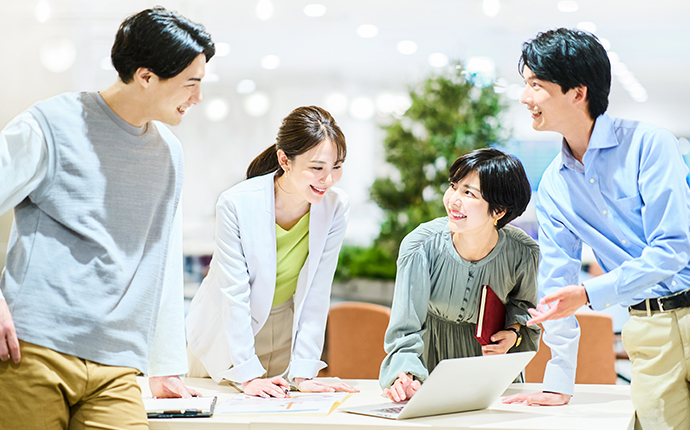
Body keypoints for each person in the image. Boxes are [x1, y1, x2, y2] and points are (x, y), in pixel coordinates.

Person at [0, 7, 214, 429]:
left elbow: (162, 259)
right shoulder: (50, 124)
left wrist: (165, 365)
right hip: (33, 349)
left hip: (118, 366)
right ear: (146, 76)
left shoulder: (169, 153)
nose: (198, 98)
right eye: (191, 83)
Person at [501, 28, 690, 429]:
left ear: (577, 93)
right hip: (647, 328)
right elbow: (557, 286)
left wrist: (588, 293)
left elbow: (673, 249)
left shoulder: (650, 145)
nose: (525, 97)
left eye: (536, 85)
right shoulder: (554, 186)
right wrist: (558, 380)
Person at [185, 106, 359, 398]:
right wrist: (247, 374)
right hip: (225, 331)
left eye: (337, 166)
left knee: (275, 412)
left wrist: (304, 372)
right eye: (317, 168)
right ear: (284, 160)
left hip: (283, 328)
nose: (328, 180)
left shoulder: (336, 206)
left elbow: (317, 290)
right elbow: (234, 293)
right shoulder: (236, 203)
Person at [379, 148, 540, 402]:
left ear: (498, 211)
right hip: (431, 362)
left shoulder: (523, 251)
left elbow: (524, 307)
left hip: (490, 369)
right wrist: (405, 375)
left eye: (468, 193)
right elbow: (405, 329)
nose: (453, 200)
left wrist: (513, 333)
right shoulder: (420, 247)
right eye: (453, 186)